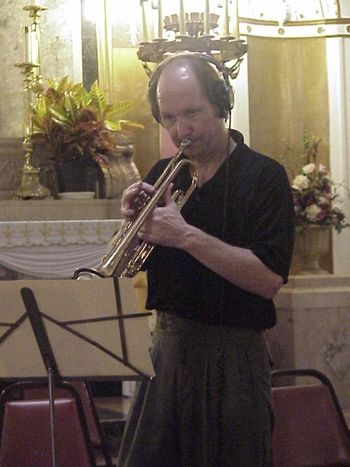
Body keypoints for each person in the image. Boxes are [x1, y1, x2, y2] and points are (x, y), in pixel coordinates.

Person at [118, 53, 295, 467]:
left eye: (193, 113)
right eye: (169, 118)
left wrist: (186, 236)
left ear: (221, 103)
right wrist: (131, 228)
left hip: (234, 358)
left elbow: (268, 279)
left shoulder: (264, 176)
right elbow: (133, 265)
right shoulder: (166, 171)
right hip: (169, 351)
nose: (182, 130)